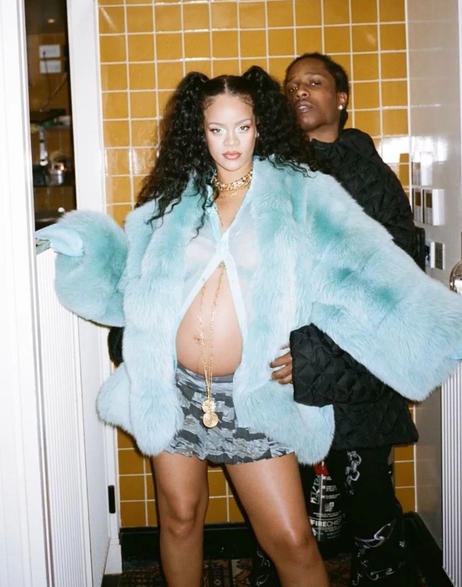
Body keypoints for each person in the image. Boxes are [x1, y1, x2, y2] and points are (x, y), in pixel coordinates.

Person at [36, 66, 462, 587]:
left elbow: (370, 273)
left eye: (242, 126)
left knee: (291, 541)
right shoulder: (175, 201)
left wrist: (440, 328)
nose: (231, 141)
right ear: (200, 133)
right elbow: (131, 284)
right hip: (172, 389)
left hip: (254, 395)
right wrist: (82, 243)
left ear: (260, 126)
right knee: (180, 518)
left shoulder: (301, 195)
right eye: (217, 129)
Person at [283, 52, 421, 587]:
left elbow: (393, 266)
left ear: (341, 98)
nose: (299, 91)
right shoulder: (276, 168)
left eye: (314, 82)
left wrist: (318, 350)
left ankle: (382, 573)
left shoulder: (365, 170)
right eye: (292, 84)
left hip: (354, 355)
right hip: (287, 359)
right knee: (295, 495)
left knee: (368, 493)